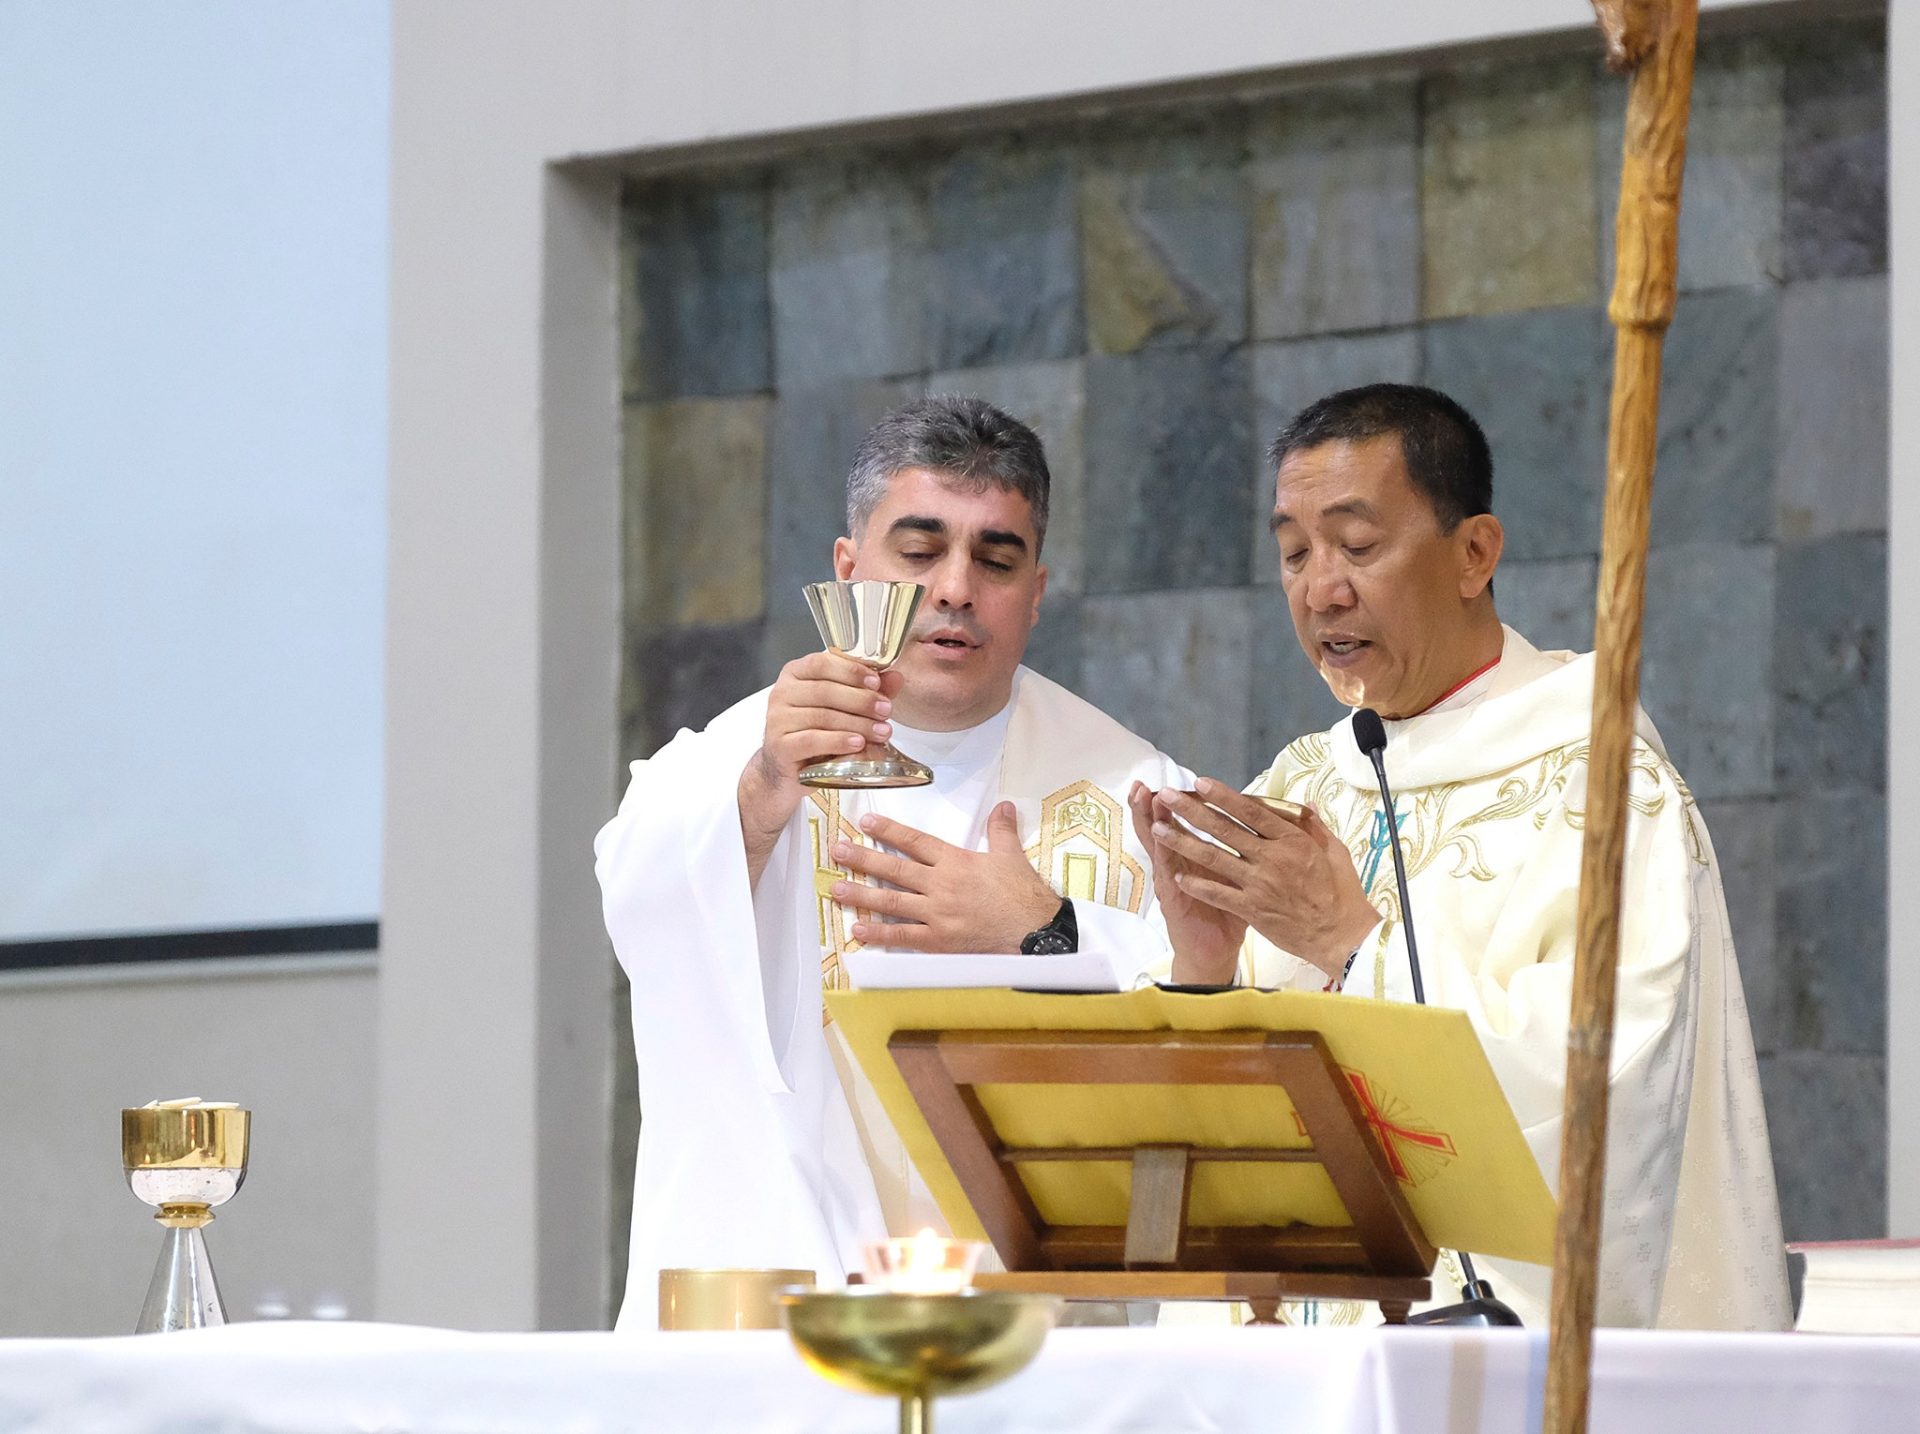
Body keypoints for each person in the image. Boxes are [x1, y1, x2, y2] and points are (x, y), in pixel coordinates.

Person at [1132, 383, 1790, 1330]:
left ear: (1475, 552)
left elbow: (1609, 1084)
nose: (1322, 587)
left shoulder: (1602, 790)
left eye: (1357, 546)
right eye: (1294, 553)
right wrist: (1203, 968)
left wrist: (1354, 948)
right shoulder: (1307, 782)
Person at [598, 396, 1190, 1329]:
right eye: (919, 552)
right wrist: (759, 797)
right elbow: (638, 902)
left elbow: (1213, 1021)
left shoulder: (1135, 791)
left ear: (1036, 592)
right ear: (848, 569)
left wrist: (1045, 934)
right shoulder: (741, 758)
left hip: (1033, 1331)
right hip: (780, 1311)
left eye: (995, 560)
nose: (955, 588)